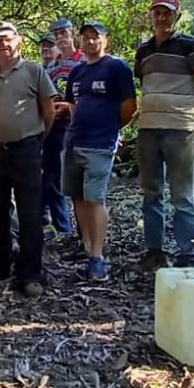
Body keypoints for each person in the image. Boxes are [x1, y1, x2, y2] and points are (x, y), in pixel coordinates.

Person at [0, 22, 56, 297]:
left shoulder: (34, 71)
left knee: (30, 212)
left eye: (7, 39)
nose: (3, 44)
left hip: (27, 149)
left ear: (18, 40)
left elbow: (49, 111)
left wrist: (35, 139)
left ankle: (30, 273)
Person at [134, 0, 194, 270]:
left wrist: (191, 115)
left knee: (182, 195)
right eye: (157, 12)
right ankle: (154, 252)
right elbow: (146, 86)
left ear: (177, 16)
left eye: (167, 13)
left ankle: (187, 254)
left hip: (180, 131)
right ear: (151, 16)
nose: (161, 17)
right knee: (150, 193)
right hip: (148, 129)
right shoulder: (144, 51)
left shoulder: (189, 46)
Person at [63, 22, 137, 281]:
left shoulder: (116, 67)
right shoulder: (77, 72)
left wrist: (112, 128)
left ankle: (97, 256)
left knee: (95, 198)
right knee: (77, 195)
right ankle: (85, 245)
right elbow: (72, 104)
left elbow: (130, 106)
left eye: (96, 37)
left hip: (100, 144)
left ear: (106, 40)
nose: (90, 41)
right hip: (75, 141)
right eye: (86, 37)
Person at [41, 19, 84, 244]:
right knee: (50, 176)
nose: (60, 38)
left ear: (72, 33)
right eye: (56, 34)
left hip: (77, 125)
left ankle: (73, 230)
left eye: (63, 33)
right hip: (53, 125)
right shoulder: (51, 66)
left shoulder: (83, 60)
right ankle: (61, 226)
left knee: (68, 179)